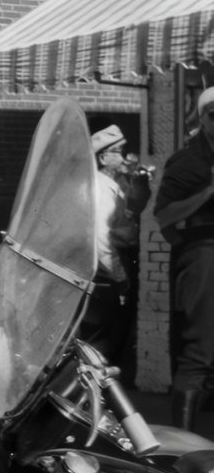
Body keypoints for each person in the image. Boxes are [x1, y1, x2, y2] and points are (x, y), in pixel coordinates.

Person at [155, 86, 214, 431]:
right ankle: (181, 445)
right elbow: (164, 215)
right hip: (204, 252)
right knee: (200, 349)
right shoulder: (187, 160)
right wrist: (209, 191)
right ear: (203, 118)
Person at [80, 124, 134, 364]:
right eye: (118, 152)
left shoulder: (107, 184)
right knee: (102, 344)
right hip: (104, 276)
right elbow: (102, 239)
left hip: (101, 274)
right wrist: (119, 277)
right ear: (103, 157)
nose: (123, 158)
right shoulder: (102, 188)